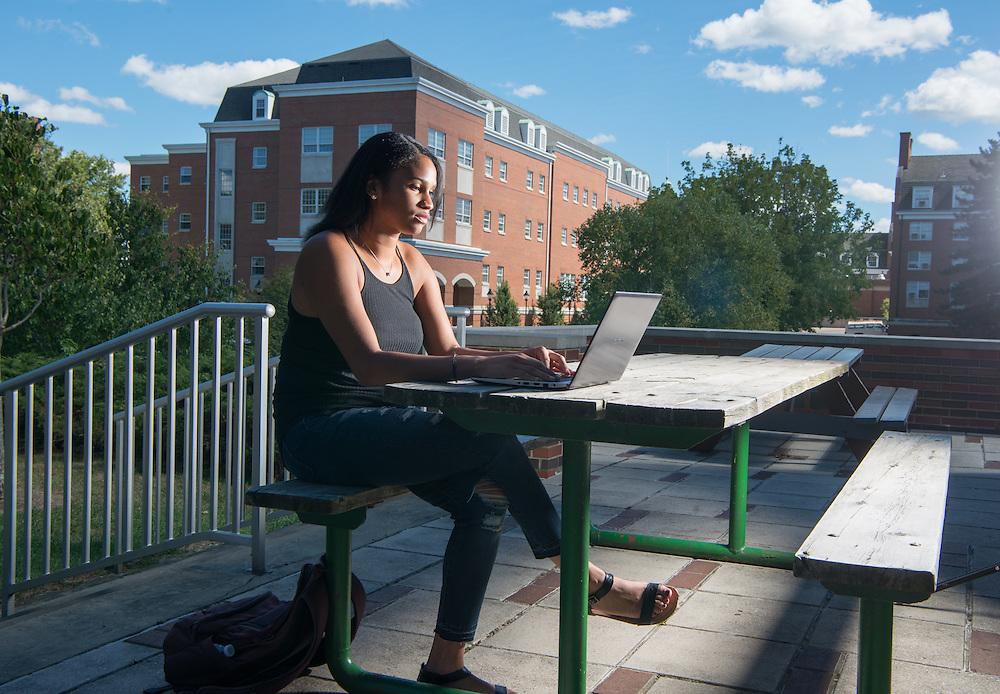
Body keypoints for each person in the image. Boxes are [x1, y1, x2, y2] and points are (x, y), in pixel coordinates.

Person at [273, 132, 678, 694]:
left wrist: (522, 359)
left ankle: (445, 665)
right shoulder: (330, 251)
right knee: (491, 441)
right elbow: (368, 366)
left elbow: (447, 354)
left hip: (387, 426)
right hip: (321, 433)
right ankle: (586, 581)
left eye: (432, 192)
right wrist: (491, 365)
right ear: (372, 187)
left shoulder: (412, 261)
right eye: (414, 187)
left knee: (487, 499)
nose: (427, 202)